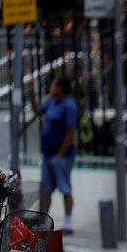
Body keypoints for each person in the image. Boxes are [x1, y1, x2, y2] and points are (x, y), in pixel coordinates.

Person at [34, 77, 78, 234]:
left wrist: (60, 154)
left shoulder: (69, 106)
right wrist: (32, 94)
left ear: (60, 87)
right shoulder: (53, 103)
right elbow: (38, 112)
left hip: (62, 156)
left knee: (65, 188)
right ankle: (43, 220)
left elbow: (70, 132)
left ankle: (68, 222)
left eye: (53, 84)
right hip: (48, 154)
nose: (51, 87)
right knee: (46, 189)